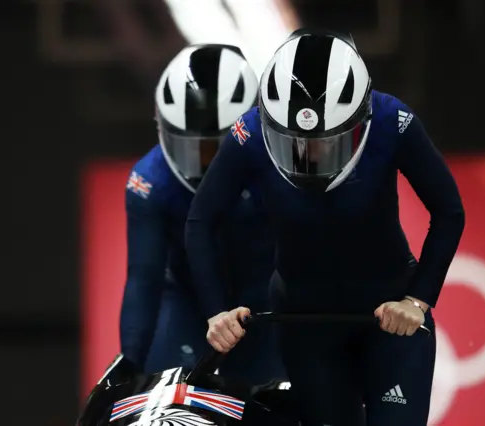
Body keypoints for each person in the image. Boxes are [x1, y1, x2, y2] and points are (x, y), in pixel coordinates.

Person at [185, 29, 465, 426]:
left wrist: (417, 301)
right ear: (269, 122)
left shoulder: (392, 121)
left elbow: (449, 210)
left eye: (329, 141)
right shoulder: (248, 134)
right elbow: (200, 221)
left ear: (360, 122)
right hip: (304, 323)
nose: (310, 154)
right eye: (294, 141)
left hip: (389, 316)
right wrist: (216, 312)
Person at [119, 43, 285, 384]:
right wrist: (130, 361)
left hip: (268, 309)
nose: (204, 164)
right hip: (188, 308)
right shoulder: (149, 181)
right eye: (189, 147)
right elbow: (144, 279)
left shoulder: (283, 171)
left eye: (218, 149)